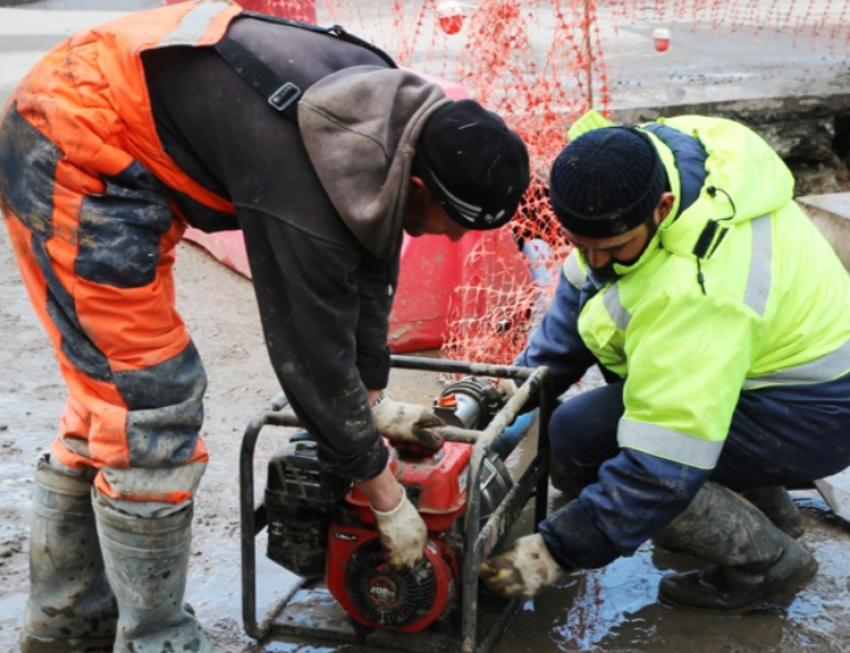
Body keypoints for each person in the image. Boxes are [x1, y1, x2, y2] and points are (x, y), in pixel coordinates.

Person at [0, 2, 530, 652]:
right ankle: (158, 640)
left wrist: (372, 400)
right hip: (73, 141)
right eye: (454, 221)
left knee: (106, 405)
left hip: (130, 109)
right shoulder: (303, 186)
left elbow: (370, 261)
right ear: (419, 183)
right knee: (150, 404)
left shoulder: (393, 111)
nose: (452, 237)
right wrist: (384, 491)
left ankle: (64, 627)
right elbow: (308, 359)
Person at [479, 109, 850, 614]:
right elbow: (583, 293)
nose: (597, 262)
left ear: (663, 206)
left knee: (584, 441)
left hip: (816, 413)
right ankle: (767, 507)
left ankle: (769, 563)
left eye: (611, 247)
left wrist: (552, 553)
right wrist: (505, 401)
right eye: (581, 245)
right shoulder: (654, 158)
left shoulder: (699, 289)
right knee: (597, 421)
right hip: (776, 372)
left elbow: (661, 466)